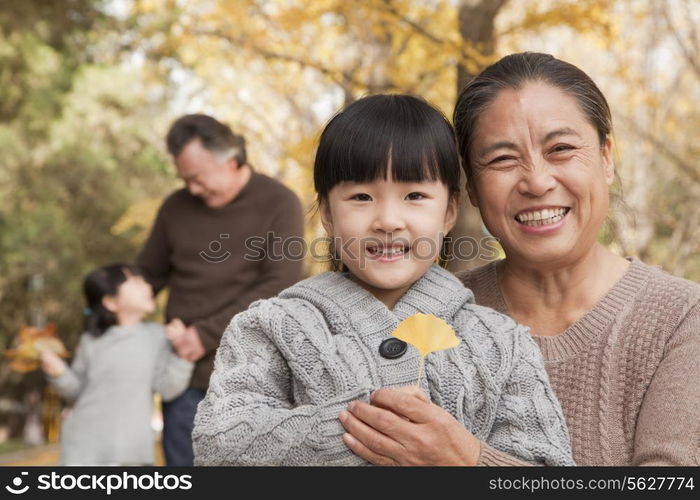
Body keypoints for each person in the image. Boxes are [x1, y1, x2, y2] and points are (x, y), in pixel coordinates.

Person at [339, 52, 700, 466]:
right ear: (471, 187)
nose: (537, 181)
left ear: (606, 158)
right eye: (503, 159)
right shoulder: (427, 315)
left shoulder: (682, 319)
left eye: (561, 149)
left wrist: (470, 464)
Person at [192, 94, 575, 466]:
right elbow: (218, 445)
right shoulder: (271, 327)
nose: (388, 220)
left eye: (414, 195)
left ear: (449, 212)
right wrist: (366, 428)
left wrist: (463, 458)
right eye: (361, 197)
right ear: (327, 213)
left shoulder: (501, 342)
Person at [137, 114, 304, 465]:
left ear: (230, 160)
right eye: (185, 180)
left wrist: (205, 334)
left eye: (197, 179)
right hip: (184, 378)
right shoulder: (175, 207)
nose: (192, 190)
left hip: (253, 380)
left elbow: (280, 286)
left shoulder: (280, 203)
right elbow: (146, 276)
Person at [40, 264, 193, 465]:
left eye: (144, 281)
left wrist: (184, 354)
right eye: (136, 282)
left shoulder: (158, 337)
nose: (147, 286)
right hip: (83, 450)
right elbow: (77, 391)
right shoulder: (91, 341)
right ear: (111, 302)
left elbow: (166, 388)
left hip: (131, 453)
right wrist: (58, 373)